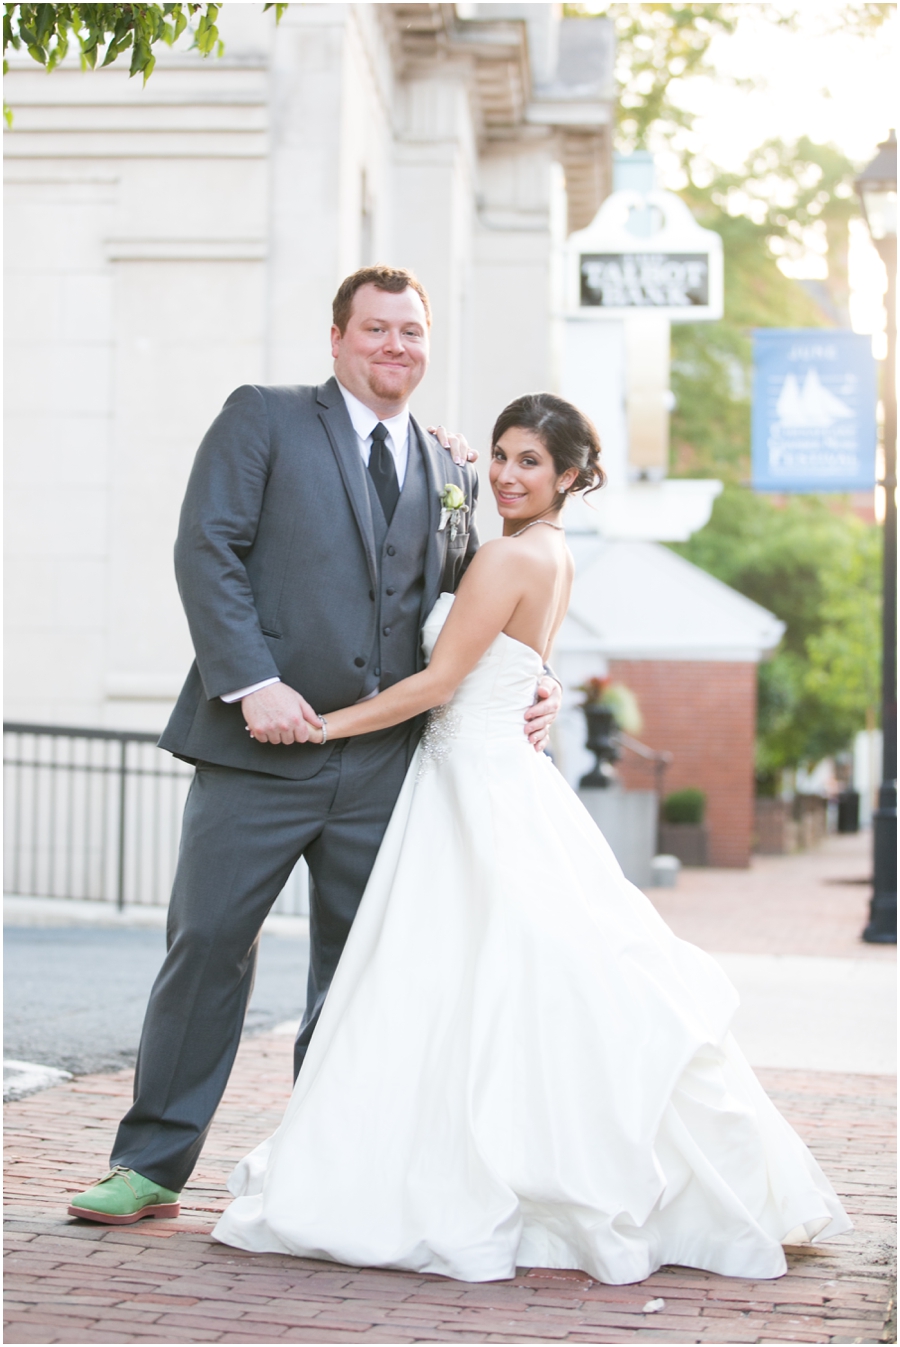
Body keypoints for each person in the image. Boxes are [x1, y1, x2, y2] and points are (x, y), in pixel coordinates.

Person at [212, 392, 851, 1285]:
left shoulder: (512, 557)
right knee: (499, 985)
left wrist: (322, 724)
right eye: (502, 456)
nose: (508, 475)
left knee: (473, 984)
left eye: (530, 464)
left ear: (571, 478)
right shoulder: (548, 554)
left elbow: (437, 683)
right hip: (492, 776)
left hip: (472, 782)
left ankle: (483, 1170)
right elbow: (519, 664)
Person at [67, 266, 562, 1226]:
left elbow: (477, 610)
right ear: (337, 338)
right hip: (256, 750)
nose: (395, 348)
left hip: (386, 761)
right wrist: (254, 683)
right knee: (208, 946)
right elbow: (205, 546)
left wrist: (539, 681)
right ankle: (151, 1165)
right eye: (375, 330)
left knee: (362, 968)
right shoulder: (263, 416)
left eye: (411, 333)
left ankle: (327, 1172)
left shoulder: (454, 469)